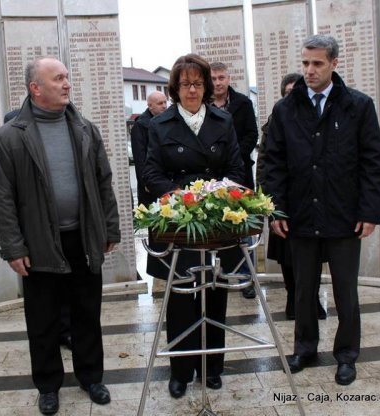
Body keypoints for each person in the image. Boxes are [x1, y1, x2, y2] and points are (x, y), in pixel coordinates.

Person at [0, 56, 120, 415]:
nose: (66, 84)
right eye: (58, 78)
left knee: (86, 313)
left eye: (66, 77)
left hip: (82, 238)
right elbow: (2, 198)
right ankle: (48, 386)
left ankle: (92, 377)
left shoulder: (84, 129)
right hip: (39, 243)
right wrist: (13, 247)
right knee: (43, 320)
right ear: (35, 88)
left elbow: (104, 181)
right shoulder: (10, 136)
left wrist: (110, 227)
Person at [265, 34, 380, 386]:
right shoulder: (285, 109)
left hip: (345, 216)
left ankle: (346, 355)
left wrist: (369, 212)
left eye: (317, 63)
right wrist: (278, 211)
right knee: (303, 289)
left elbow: (372, 162)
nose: (309, 70)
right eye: (305, 63)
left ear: (334, 63)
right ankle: (305, 348)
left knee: (345, 291)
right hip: (300, 216)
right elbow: (274, 164)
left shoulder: (358, 106)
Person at [143, 54, 244, 398]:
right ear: (175, 88)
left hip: (216, 222)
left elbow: (237, 168)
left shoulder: (223, 120)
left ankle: (212, 367)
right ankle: (181, 370)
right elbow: (150, 173)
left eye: (198, 83)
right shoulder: (159, 126)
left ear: (207, 86)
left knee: (215, 293)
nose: (192, 90)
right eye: (185, 84)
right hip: (179, 223)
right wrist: (178, 198)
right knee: (182, 298)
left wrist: (219, 197)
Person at [256, 72, 327, 320]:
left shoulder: (316, 121)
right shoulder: (275, 121)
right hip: (282, 200)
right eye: (287, 92)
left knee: (314, 254)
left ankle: (313, 298)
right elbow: (264, 163)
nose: (292, 96)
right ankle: (292, 297)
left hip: (311, 201)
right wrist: (269, 200)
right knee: (287, 255)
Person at [3, 108, 73, 350]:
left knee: (69, 289)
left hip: (69, 230)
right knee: (42, 299)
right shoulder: (12, 129)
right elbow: (6, 195)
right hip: (36, 233)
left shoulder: (71, 126)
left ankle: (66, 330)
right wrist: (14, 245)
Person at [210, 62, 259, 299]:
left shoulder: (243, 103)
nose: (217, 83)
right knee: (215, 225)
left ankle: (247, 278)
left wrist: (235, 156)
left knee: (243, 226)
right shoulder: (203, 105)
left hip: (239, 173)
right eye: (214, 78)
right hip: (212, 177)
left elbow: (252, 134)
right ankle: (219, 275)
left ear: (229, 78)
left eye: (221, 78)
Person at [130, 90, 168, 206]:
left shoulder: (167, 121)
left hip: (167, 178)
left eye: (165, 102)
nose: (164, 106)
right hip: (150, 180)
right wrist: (145, 182)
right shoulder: (140, 125)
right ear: (150, 106)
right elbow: (139, 157)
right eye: (160, 103)